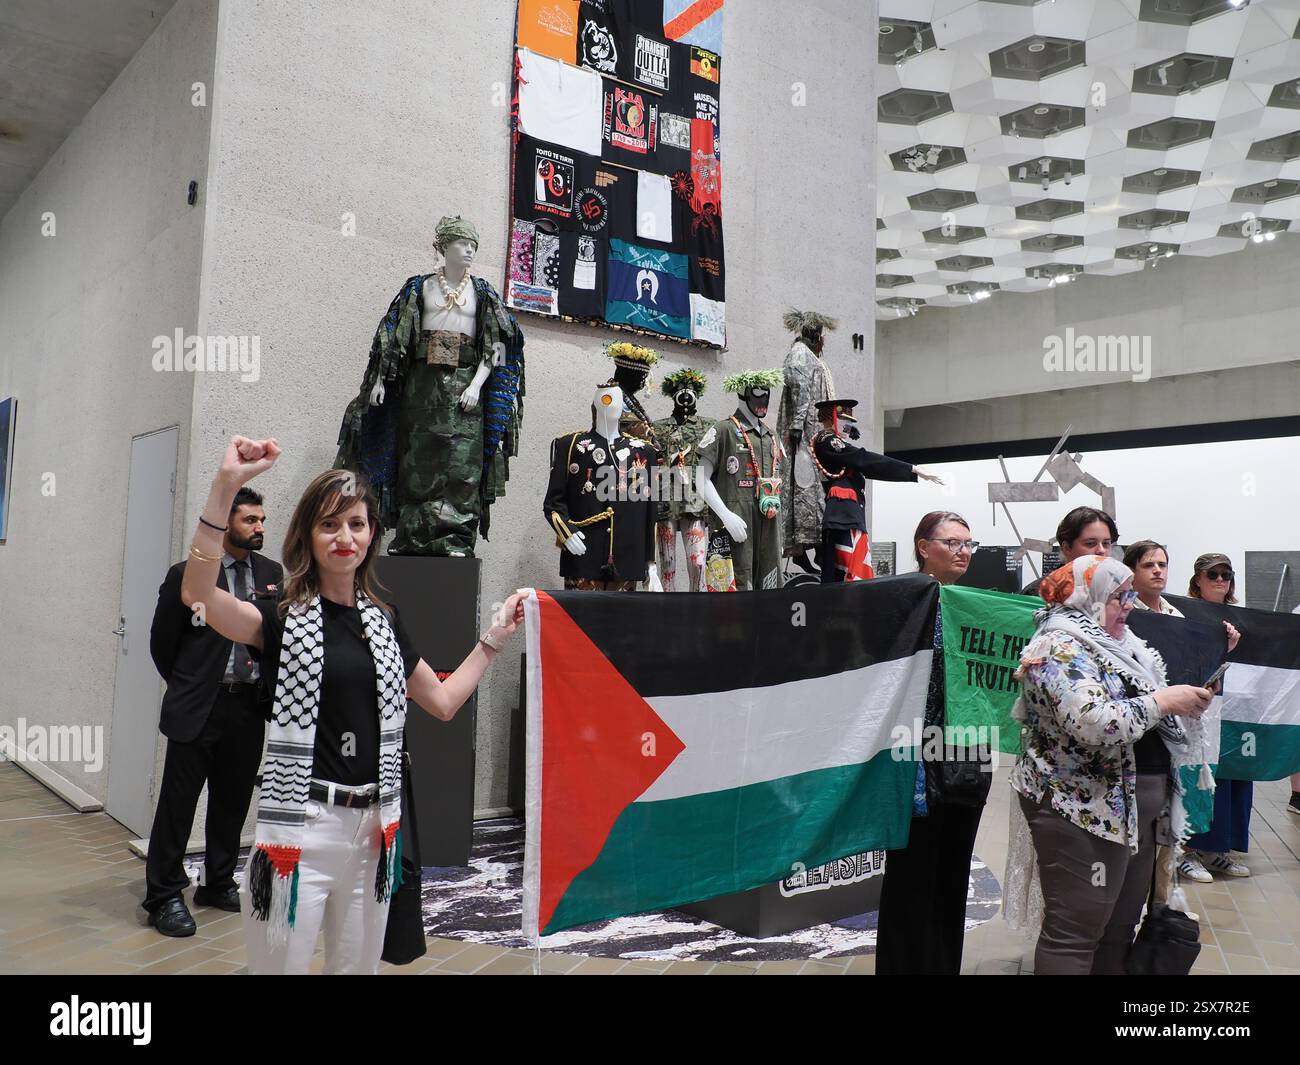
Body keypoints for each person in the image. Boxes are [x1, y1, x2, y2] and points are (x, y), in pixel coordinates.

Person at [181, 436, 526, 974]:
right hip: (300, 831)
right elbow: (198, 594)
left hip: (373, 834)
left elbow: (441, 702)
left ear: (371, 534)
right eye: (329, 524)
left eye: (357, 524)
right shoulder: (279, 617)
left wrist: (494, 639)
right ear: (308, 535)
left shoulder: (384, 623)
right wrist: (226, 485)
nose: (345, 537)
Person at [1009, 556, 1213, 974]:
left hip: (1125, 812)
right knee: (1075, 933)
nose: (1129, 604)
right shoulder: (1059, 645)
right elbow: (1092, 722)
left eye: (1130, 594)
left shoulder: (1119, 642)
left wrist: (1179, 701)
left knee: (1118, 928)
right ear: (1091, 595)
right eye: (1120, 596)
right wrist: (1162, 702)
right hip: (1077, 809)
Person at [143, 488, 282, 937]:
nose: (259, 527)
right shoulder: (188, 575)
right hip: (199, 706)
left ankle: (218, 881)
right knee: (178, 804)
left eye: (262, 520)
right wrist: (191, 684)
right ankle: (164, 895)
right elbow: (162, 644)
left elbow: (274, 639)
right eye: (250, 520)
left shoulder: (272, 574)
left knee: (233, 800)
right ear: (226, 524)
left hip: (248, 706)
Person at [876, 511, 990, 974]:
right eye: (953, 542)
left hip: (966, 750)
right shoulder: (900, 600)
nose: (963, 552)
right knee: (912, 872)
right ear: (924, 547)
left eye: (969, 544)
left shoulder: (976, 606)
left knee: (953, 870)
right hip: (913, 753)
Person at [1122, 540, 1240, 901]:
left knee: (1167, 827)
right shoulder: (1122, 615)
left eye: (1162, 564)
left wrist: (1220, 653)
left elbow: (1192, 670)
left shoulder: (1176, 616)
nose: (1158, 571)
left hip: (1176, 736)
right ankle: (1127, 907)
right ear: (1132, 571)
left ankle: (1160, 907)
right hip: (1137, 735)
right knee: (1136, 834)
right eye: (1149, 565)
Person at [808, 399, 942, 583]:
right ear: (831, 419)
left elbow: (867, 466)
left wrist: (911, 472)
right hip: (843, 516)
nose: (848, 426)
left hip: (849, 514)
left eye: (850, 423)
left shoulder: (835, 444)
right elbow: (864, 460)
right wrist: (912, 469)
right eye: (844, 421)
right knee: (847, 572)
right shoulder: (827, 440)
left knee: (852, 573)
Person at [1180, 552, 1252, 882]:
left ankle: (1217, 849)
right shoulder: (1185, 615)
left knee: (1232, 776)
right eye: (1213, 574)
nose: (1220, 580)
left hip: (1235, 709)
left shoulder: (1243, 618)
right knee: (1198, 776)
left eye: (1226, 574)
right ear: (1198, 580)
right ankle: (1187, 851)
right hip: (1201, 709)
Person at [1022, 506, 1118, 596]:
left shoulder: (1118, 590)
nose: (1101, 550)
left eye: (1106, 543)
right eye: (1090, 543)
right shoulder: (1039, 593)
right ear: (1066, 547)